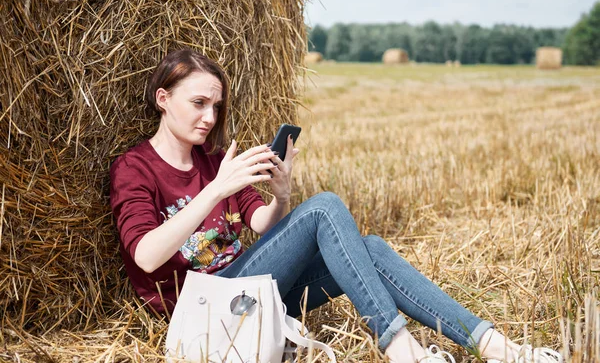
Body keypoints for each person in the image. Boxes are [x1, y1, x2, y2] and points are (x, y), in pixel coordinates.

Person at [110, 49, 563, 363]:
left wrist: (282, 193)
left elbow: (261, 224)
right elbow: (146, 254)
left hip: (254, 299)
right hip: (202, 311)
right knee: (325, 207)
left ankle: (491, 343)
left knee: (371, 248)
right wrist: (213, 191)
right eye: (199, 103)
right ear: (162, 99)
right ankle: (398, 344)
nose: (210, 117)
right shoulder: (135, 168)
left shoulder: (214, 161)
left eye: (216, 105)